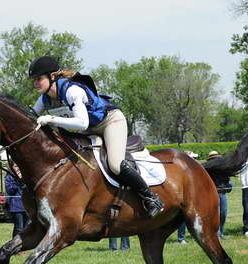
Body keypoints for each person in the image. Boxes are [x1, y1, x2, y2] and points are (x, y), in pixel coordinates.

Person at [28, 55, 163, 217]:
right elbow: (30, 119)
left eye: (39, 79)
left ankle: (151, 197)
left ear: (52, 77)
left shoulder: (72, 91)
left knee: (115, 164)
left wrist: (50, 119)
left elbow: (82, 123)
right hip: (89, 131)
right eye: (34, 80)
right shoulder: (45, 99)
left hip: (110, 122)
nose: (36, 83)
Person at [207, 151, 232, 239]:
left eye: (217, 158)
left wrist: (229, 186)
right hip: (212, 194)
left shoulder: (223, 168)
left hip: (222, 193)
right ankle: (215, 234)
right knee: (214, 214)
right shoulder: (207, 170)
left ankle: (221, 232)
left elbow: (228, 180)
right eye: (214, 158)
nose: (216, 160)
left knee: (223, 213)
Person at [5, 165, 28, 239]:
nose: (18, 167)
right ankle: (15, 246)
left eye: (18, 165)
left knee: (27, 228)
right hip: (16, 206)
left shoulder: (26, 174)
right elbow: (10, 191)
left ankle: (24, 246)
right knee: (19, 228)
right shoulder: (9, 176)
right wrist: (17, 181)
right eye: (15, 166)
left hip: (27, 206)